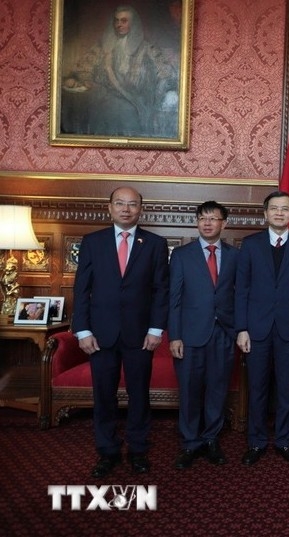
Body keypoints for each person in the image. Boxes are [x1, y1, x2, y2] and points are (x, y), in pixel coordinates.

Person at [72, 186, 169, 478]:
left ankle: (138, 449)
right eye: (120, 203)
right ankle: (108, 451)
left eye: (132, 204)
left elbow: (161, 290)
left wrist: (156, 329)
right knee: (104, 395)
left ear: (141, 209)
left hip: (140, 335)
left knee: (139, 394)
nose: (126, 209)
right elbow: (81, 289)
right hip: (100, 334)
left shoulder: (155, 244)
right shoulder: (92, 242)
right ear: (110, 207)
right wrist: (82, 330)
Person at [235, 191, 289, 465]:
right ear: (265, 213)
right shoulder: (250, 244)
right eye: (274, 209)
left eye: (284, 209)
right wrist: (241, 328)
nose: (279, 213)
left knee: (285, 388)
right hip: (256, 329)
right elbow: (241, 289)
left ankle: (284, 440)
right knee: (257, 387)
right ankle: (256, 442)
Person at [168, 201, 239, 469]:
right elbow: (174, 299)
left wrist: (239, 330)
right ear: (197, 222)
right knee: (189, 390)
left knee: (217, 390)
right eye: (202, 218)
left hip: (224, 333)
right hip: (189, 335)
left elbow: (241, 295)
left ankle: (211, 439)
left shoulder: (235, 255)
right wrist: (174, 336)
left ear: (224, 223)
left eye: (213, 218)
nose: (207, 223)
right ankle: (190, 442)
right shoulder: (181, 255)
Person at [61, 5, 178, 137]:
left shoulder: (147, 48)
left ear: (132, 23)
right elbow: (84, 67)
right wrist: (86, 79)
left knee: (124, 112)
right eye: (116, 21)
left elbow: (167, 74)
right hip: (104, 95)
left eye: (124, 21)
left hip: (134, 98)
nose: (119, 25)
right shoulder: (103, 46)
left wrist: (159, 90)